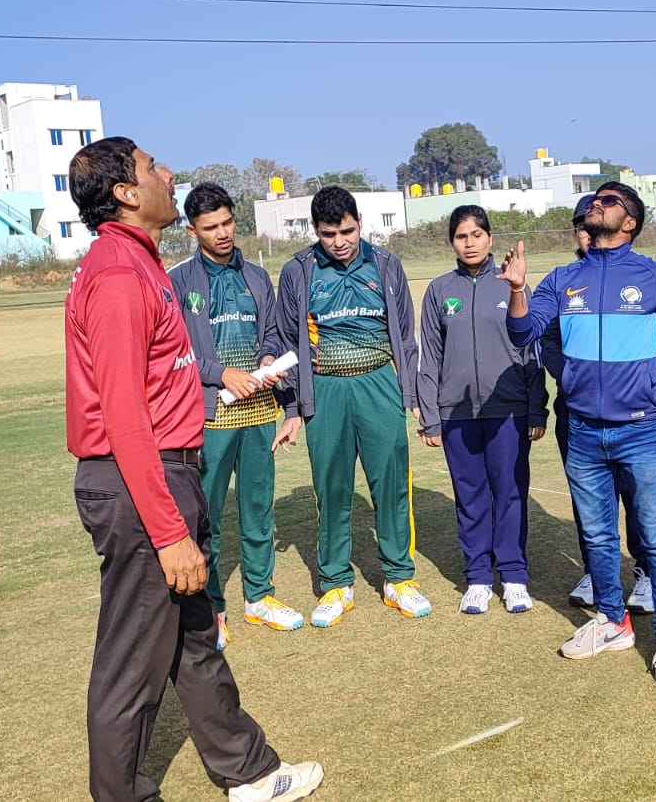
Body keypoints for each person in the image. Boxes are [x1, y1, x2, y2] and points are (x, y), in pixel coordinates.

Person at [63, 137, 321, 801]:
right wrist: (169, 530)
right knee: (132, 664)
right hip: (139, 483)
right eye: (151, 167)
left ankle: (250, 773)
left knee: (195, 635)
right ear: (125, 192)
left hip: (172, 470)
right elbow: (123, 417)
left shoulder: (139, 262)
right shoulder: (119, 276)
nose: (166, 173)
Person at [504, 181, 656, 684]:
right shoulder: (563, 277)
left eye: (607, 201)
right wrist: (517, 290)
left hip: (642, 430)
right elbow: (523, 332)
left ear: (629, 221)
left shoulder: (654, 275)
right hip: (584, 432)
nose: (596, 204)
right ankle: (612, 621)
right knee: (595, 534)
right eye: (593, 201)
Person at [272, 185, 429, 627]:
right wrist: (292, 408)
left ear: (360, 223)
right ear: (315, 231)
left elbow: (405, 336)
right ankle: (336, 584)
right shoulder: (298, 271)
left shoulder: (385, 265)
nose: (339, 241)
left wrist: (411, 397)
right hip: (325, 390)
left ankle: (399, 578)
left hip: (379, 381)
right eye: (328, 233)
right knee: (332, 489)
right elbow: (287, 342)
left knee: (392, 484)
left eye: (347, 230)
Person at [168, 182, 303, 647]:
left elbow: (272, 333)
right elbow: (175, 350)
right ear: (193, 230)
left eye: (227, 223)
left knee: (257, 510)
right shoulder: (179, 281)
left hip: (259, 415)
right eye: (211, 227)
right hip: (209, 418)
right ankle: (212, 611)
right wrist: (221, 373)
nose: (223, 233)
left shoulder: (257, 276)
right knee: (207, 519)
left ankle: (260, 597)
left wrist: (268, 359)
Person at [417, 205, 549, 614]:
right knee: (470, 495)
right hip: (456, 413)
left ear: (490, 239)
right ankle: (477, 576)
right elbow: (430, 358)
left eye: (477, 234)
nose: (469, 242)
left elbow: (531, 351)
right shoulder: (440, 290)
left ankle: (513, 576)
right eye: (461, 236)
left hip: (508, 411)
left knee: (509, 493)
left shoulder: (512, 286)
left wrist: (536, 409)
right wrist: (430, 414)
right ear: (452, 242)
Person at [542, 195, 653, 614]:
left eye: (592, 226)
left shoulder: (638, 275)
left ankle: (645, 574)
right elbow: (546, 339)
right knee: (587, 499)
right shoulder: (565, 280)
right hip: (576, 408)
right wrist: (569, 374)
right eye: (581, 228)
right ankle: (595, 570)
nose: (587, 235)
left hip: (629, 412)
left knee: (635, 496)